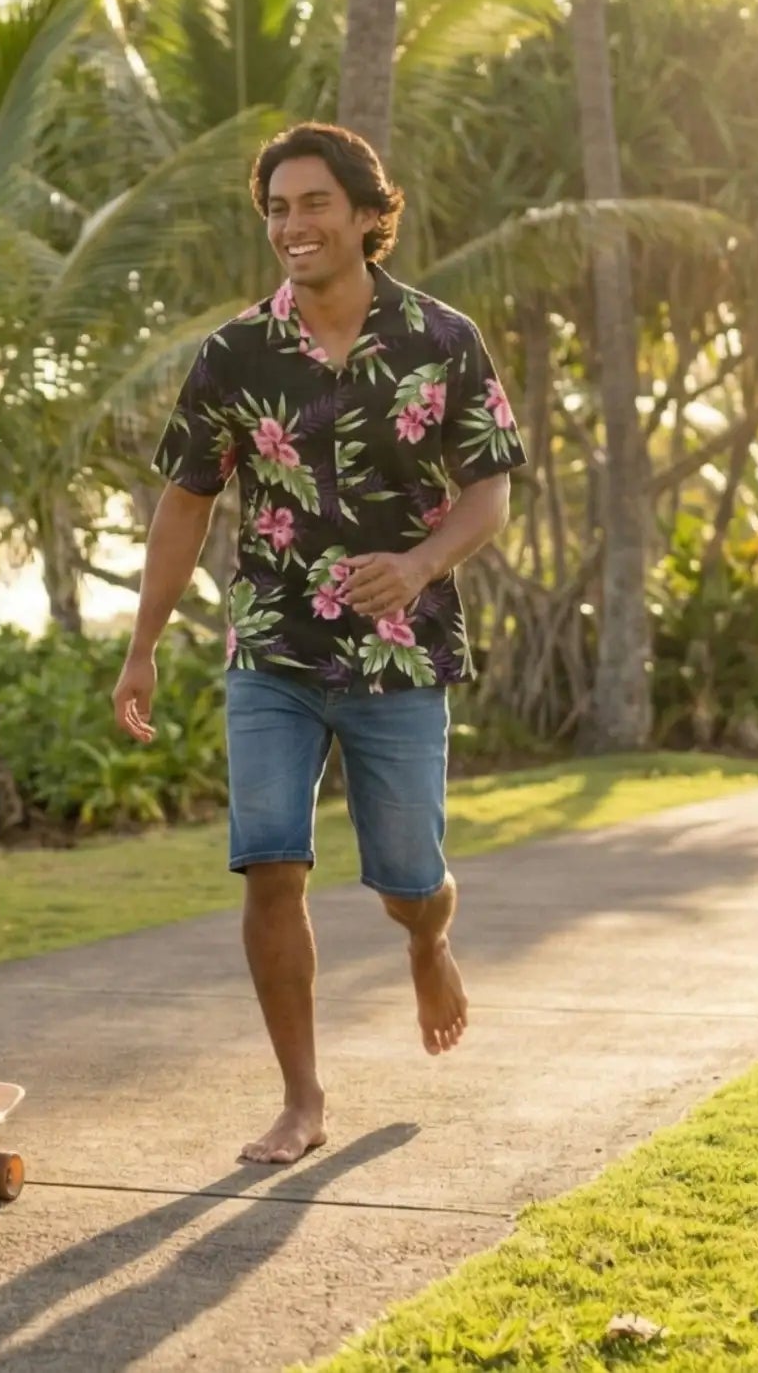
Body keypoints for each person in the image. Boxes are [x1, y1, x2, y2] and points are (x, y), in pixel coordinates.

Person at [112, 123, 526, 1164]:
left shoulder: (443, 338)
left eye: (311, 204)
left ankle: (429, 940)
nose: (292, 226)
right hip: (273, 649)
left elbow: (489, 493)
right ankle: (301, 1099)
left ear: (363, 213)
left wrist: (421, 565)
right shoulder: (235, 355)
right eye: (276, 210)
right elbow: (184, 505)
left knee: (405, 878)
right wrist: (144, 642)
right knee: (270, 868)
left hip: (403, 653)